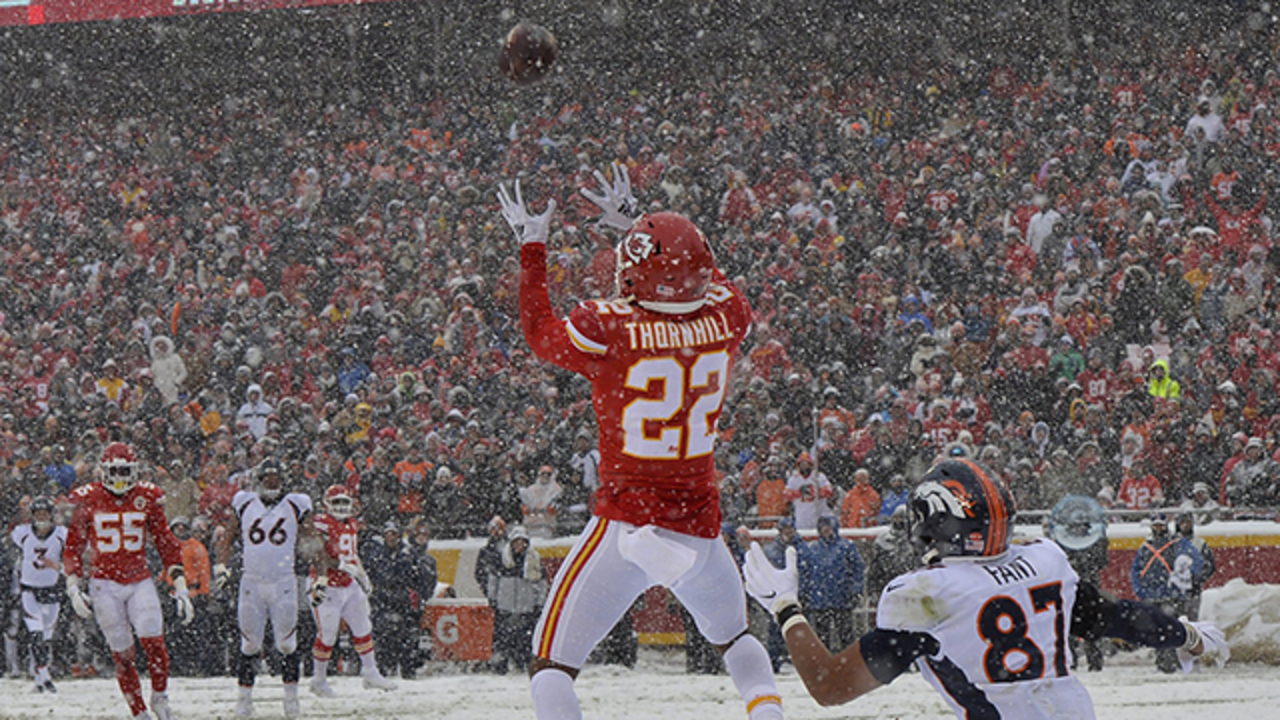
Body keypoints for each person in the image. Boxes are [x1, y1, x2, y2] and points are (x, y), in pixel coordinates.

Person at [500, 165, 783, 720]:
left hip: (628, 523)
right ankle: (769, 715)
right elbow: (703, 277)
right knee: (735, 640)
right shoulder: (729, 316)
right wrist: (636, 226)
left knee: (552, 665)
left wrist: (533, 248)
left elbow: (540, 332)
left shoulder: (609, 327)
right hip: (700, 526)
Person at [742, 458, 1229, 718]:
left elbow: (829, 687)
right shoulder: (1044, 560)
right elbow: (1116, 618)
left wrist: (785, 607)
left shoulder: (925, 596)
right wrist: (1186, 634)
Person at [64, 442, 195, 720]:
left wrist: (180, 585)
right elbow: (73, 545)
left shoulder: (147, 495)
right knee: (123, 654)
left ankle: (160, 696)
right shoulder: (88, 498)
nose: (122, 476)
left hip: (139, 579)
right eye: (117, 470)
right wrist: (73, 586)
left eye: (126, 470)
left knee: (155, 642)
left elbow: (166, 543)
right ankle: (139, 713)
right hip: (104, 584)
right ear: (104, 471)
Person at [214, 458, 320, 718]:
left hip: (284, 580)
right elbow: (227, 538)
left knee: (287, 643)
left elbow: (312, 541)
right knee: (249, 644)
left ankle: (291, 700)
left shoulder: (296, 503)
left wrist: (323, 576)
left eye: (276, 479)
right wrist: (221, 567)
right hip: (252, 581)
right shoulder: (245, 502)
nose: (272, 483)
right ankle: (244, 699)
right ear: (259, 480)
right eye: (267, 479)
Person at [307, 484, 398, 697]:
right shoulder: (321, 523)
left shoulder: (352, 524)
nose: (340, 507)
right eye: (336, 502)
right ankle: (318, 679)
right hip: (325, 584)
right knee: (328, 635)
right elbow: (315, 553)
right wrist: (339, 564)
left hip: (348, 583)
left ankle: (370, 673)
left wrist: (362, 574)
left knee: (363, 626)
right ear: (326, 504)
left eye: (344, 502)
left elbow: (353, 554)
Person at [1131, 512, 1205, 673]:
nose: (1159, 528)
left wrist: (1190, 576)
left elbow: (1195, 560)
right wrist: (1141, 591)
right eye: (1156, 525)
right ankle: (1162, 662)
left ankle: (1172, 662)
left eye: (1161, 525)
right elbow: (1135, 571)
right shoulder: (1145, 548)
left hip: (1171, 594)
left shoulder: (1178, 544)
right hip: (1151, 595)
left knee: (1169, 629)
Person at [10, 495, 66, 693]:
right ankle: (44, 677)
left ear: (51, 515)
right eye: (38, 513)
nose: (41, 517)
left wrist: (57, 566)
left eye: (45, 513)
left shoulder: (61, 534)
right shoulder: (22, 533)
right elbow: (15, 554)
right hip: (29, 589)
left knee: (46, 637)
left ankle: (40, 678)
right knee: (36, 634)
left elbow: (73, 566)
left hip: (51, 590)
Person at [797, 516, 864, 650]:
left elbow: (858, 570)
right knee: (821, 638)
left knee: (846, 636)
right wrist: (803, 593)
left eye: (829, 526)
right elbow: (804, 573)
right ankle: (824, 663)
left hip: (842, 600)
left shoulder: (846, 547)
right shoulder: (811, 549)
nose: (826, 530)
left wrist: (856, 591)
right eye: (823, 527)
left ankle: (849, 663)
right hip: (819, 602)